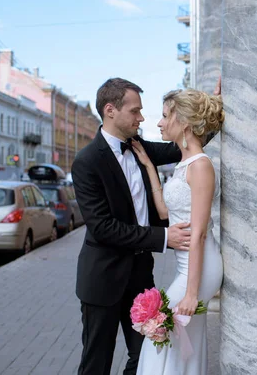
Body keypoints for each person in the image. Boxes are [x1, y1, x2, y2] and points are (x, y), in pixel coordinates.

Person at [72, 78, 194, 375]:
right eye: (136, 111)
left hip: (141, 276)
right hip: (102, 279)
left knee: (146, 358)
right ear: (111, 110)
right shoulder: (86, 162)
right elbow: (102, 228)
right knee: (96, 363)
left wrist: (211, 107)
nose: (142, 118)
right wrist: (164, 237)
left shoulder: (139, 147)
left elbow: (188, 144)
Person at [133, 88, 225, 375]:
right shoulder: (184, 163)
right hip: (186, 268)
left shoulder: (200, 166)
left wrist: (190, 293)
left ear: (184, 121)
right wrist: (149, 166)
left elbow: (197, 233)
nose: (158, 123)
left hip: (198, 271)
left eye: (164, 116)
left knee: (159, 339)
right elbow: (164, 212)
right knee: (180, 344)